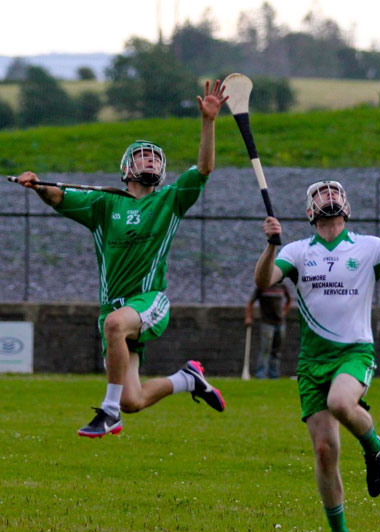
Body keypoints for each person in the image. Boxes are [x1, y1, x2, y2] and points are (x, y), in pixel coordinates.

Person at [17, 79, 228, 438]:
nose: (150, 160)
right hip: (111, 309)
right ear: (126, 167)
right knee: (134, 398)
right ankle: (186, 379)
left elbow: (204, 168)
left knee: (114, 325)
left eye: (155, 157)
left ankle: (109, 412)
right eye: (142, 155)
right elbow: (57, 197)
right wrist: (37, 185)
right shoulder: (103, 204)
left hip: (149, 301)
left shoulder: (170, 200)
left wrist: (208, 122)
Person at [253, 180, 380, 532]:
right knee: (323, 451)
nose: (329, 196)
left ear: (346, 205)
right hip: (312, 361)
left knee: (340, 402)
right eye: (320, 194)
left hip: (354, 353)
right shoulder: (298, 251)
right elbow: (263, 279)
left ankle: (374, 447)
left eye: (335, 192)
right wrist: (271, 244)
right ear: (309, 211)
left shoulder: (369, 247)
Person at [244, 283, 291, 378]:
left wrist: (284, 312)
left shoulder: (282, 286)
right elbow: (250, 303)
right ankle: (260, 375)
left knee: (277, 350)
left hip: (280, 323)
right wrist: (248, 317)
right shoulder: (262, 286)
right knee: (265, 349)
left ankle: (274, 375)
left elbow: (289, 300)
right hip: (267, 322)